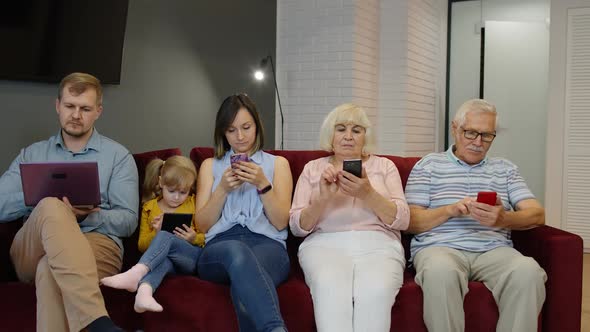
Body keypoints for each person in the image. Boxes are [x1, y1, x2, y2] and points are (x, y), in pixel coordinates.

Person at [0, 72, 139, 332]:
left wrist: (87, 216)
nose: (76, 115)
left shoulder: (118, 156)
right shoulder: (32, 154)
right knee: (51, 205)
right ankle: (100, 323)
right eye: (70, 106)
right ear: (57, 106)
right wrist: (38, 196)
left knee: (49, 271)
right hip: (33, 247)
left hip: (96, 244)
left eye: (85, 108)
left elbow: (129, 221)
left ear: (98, 111)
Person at [405, 99, 547, 332]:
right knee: (440, 272)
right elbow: (410, 222)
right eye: (470, 133)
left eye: (486, 135)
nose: (478, 142)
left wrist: (503, 219)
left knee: (528, 272)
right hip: (440, 247)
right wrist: (450, 210)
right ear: (454, 128)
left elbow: (537, 214)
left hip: (493, 250)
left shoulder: (506, 169)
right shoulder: (428, 165)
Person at [288, 103, 410, 332]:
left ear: (366, 136)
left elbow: (403, 220)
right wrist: (322, 199)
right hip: (324, 245)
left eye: (357, 130)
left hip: (380, 245)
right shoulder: (312, 169)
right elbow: (297, 227)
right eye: (341, 128)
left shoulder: (385, 166)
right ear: (330, 135)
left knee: (376, 290)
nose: (348, 136)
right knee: (329, 287)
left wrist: (368, 193)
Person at [195, 93, 293, 332]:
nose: (240, 137)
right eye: (231, 130)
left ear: (257, 126)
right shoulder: (210, 166)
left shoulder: (278, 164)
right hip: (220, 247)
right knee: (238, 253)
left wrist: (263, 184)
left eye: (246, 127)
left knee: (246, 276)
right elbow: (202, 226)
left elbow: (281, 222)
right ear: (222, 133)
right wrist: (222, 190)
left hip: (269, 246)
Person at [101, 155, 205, 313]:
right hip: (169, 262)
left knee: (164, 235)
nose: (177, 197)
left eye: (183, 192)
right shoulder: (149, 207)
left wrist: (193, 237)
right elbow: (142, 245)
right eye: (171, 191)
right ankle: (144, 293)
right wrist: (156, 234)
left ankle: (136, 273)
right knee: (164, 257)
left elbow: (208, 236)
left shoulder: (193, 202)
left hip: (190, 258)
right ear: (161, 182)